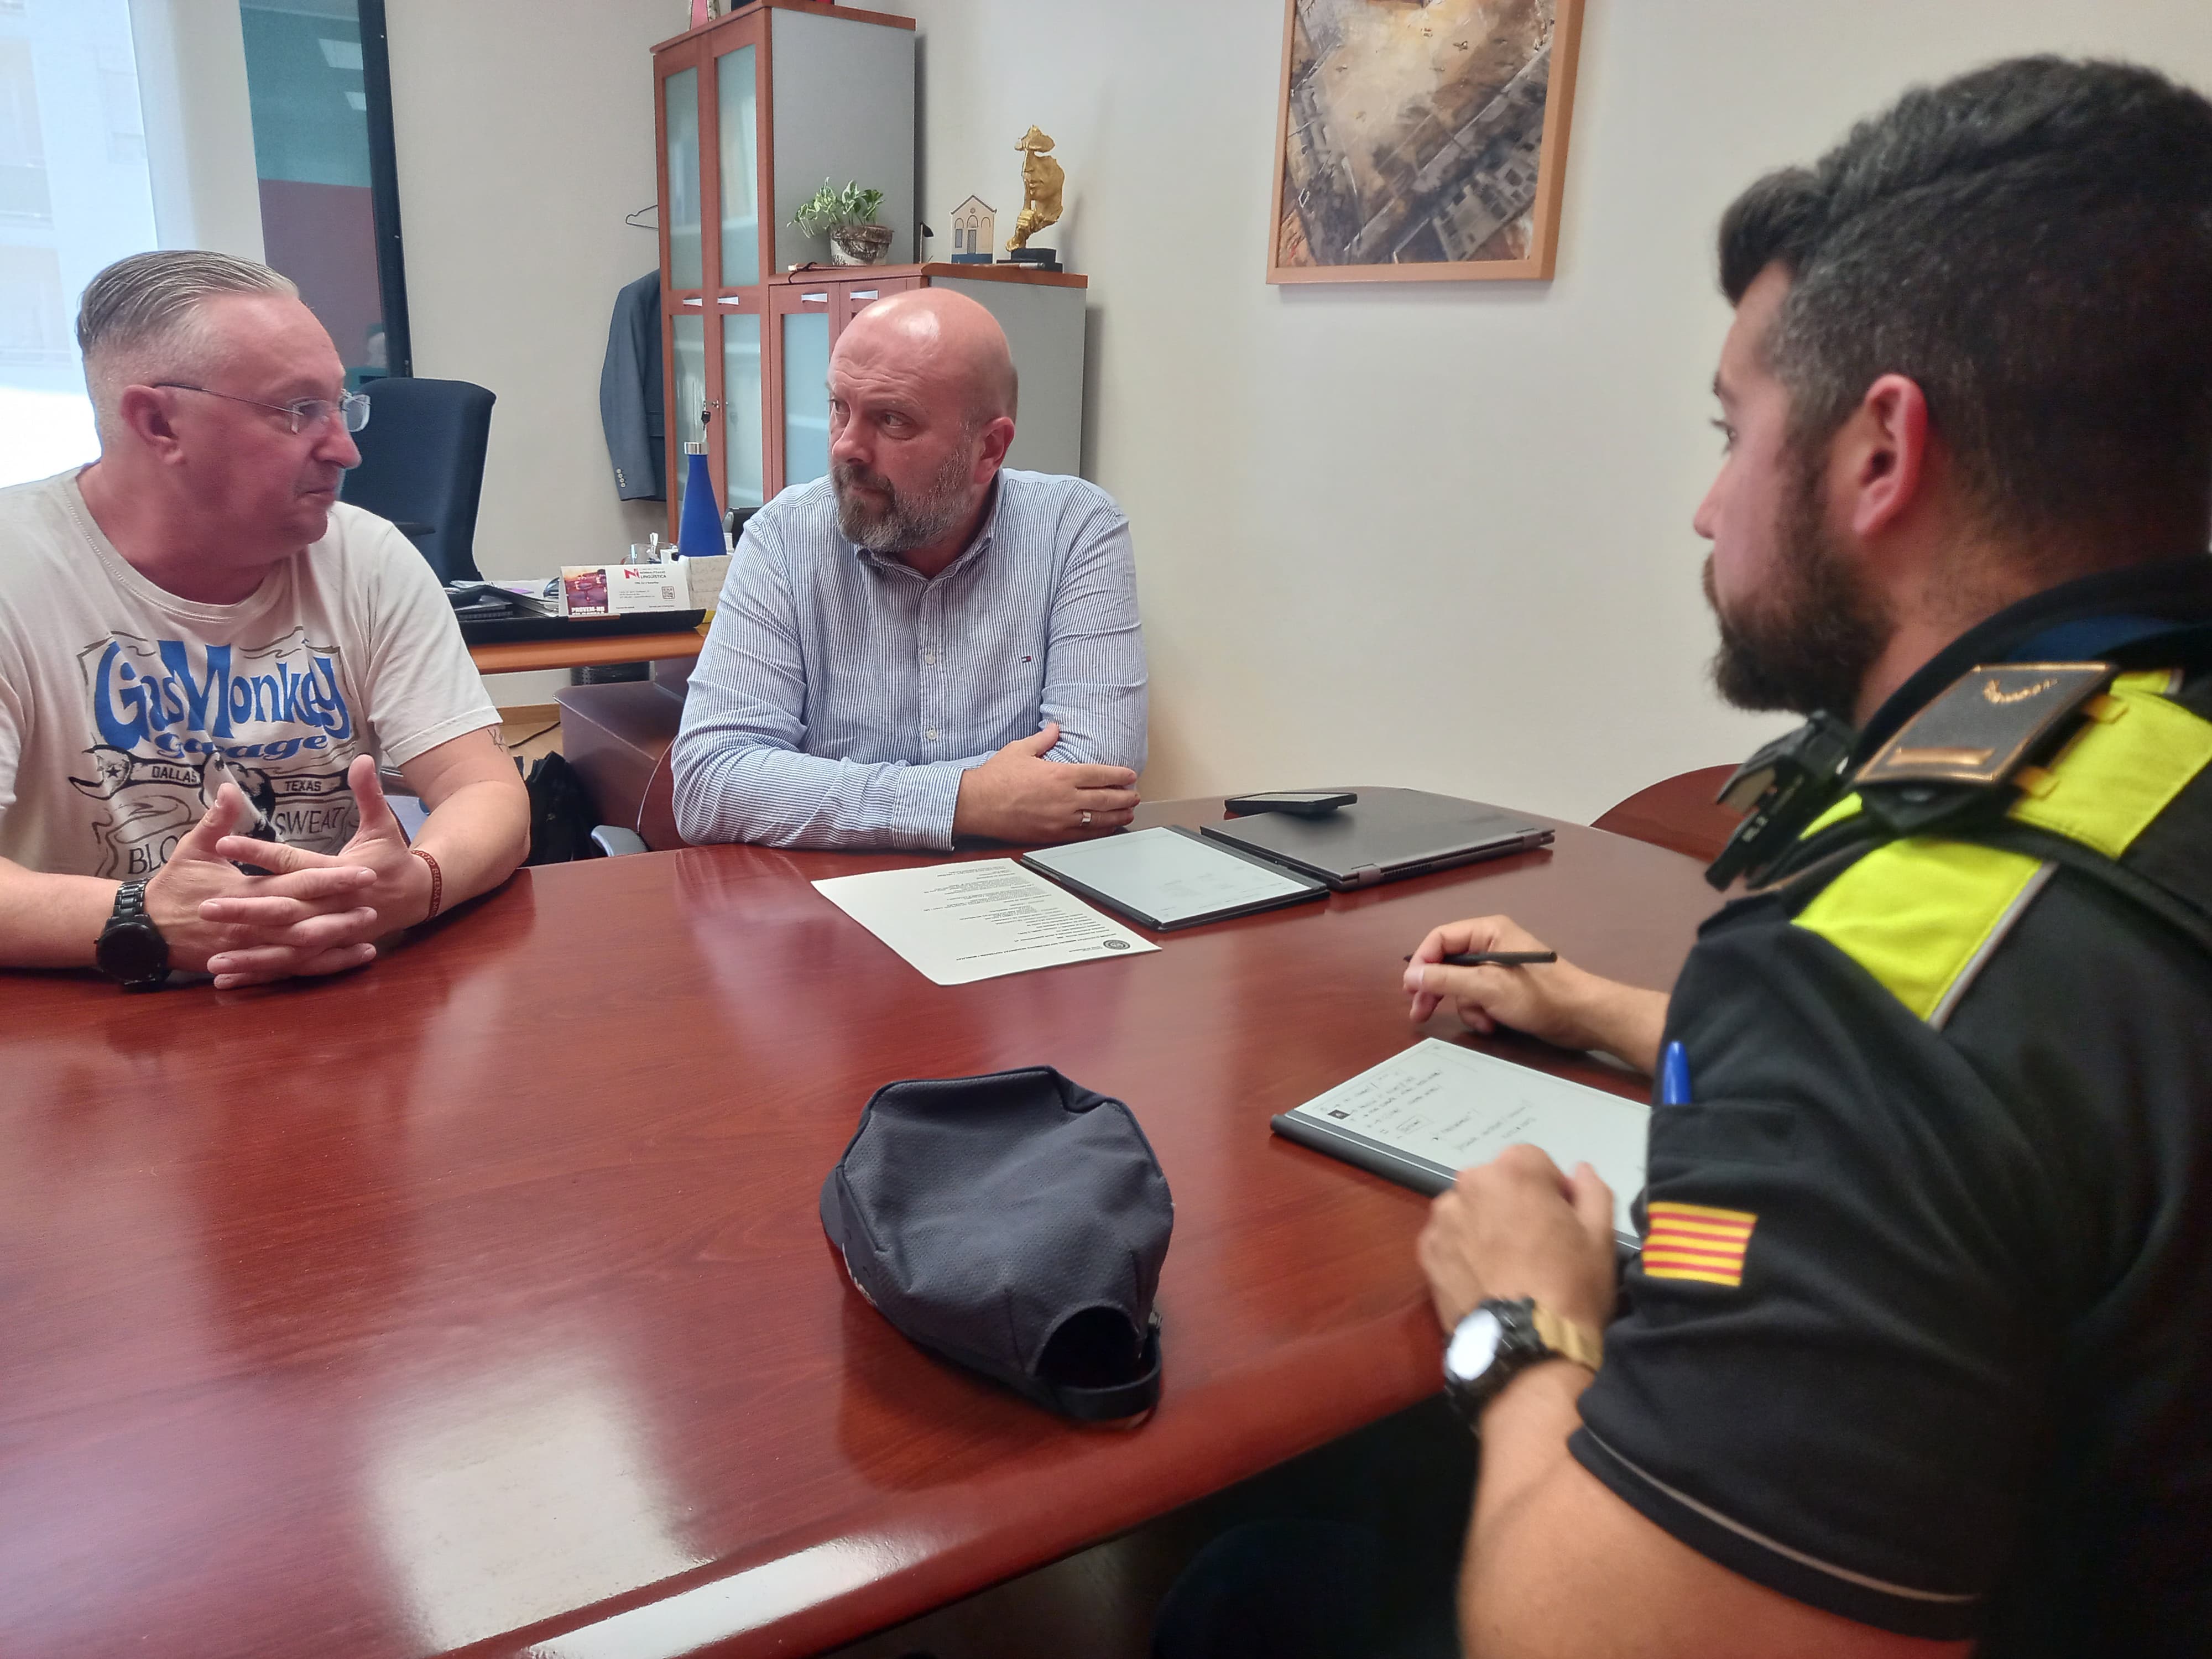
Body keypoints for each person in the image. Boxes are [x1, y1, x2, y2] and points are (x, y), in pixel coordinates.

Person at [1400, 58, 2212, 1658]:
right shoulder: (2150, 754)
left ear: (1879, 452)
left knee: (1268, 1576)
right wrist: (1616, 1013)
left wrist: (1518, 1316)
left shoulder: (1870, 966)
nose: (1710, 507)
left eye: (1736, 430)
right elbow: (2078, 1074)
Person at [0, 251, 529, 991]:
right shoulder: (15, 572)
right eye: (296, 411)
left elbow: (487, 792)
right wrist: (140, 917)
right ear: (158, 422)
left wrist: (417, 882)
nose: (345, 449)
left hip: (340, 1009)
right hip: (93, 1029)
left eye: (342, 407)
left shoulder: (367, 557)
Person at [670, 288, 1146, 850]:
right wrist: (967, 800)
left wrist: (816, 795)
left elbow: (1100, 777)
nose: (847, 447)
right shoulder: (784, 538)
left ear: (989, 450)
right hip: (824, 906)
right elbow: (711, 781)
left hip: (1019, 903)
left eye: (891, 420)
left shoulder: (1074, 529)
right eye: (838, 408)